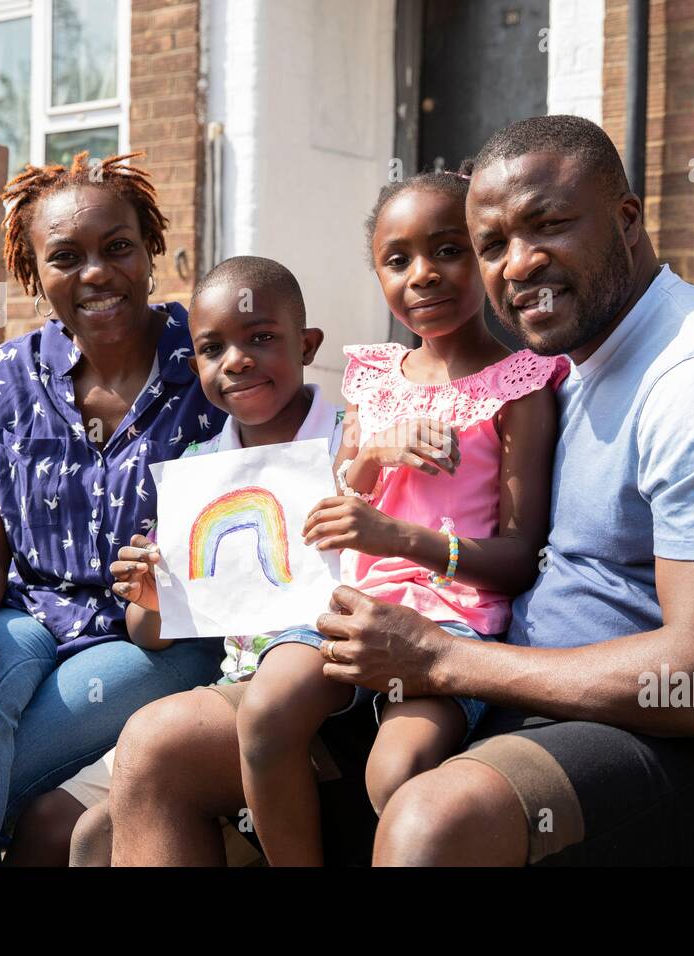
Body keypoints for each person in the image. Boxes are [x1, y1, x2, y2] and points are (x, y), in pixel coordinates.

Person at [312, 114, 694, 865]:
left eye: (547, 225)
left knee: (430, 826)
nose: (517, 265)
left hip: (681, 754)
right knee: (170, 753)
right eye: (491, 246)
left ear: (627, 221)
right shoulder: (569, 368)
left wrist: (440, 660)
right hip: (516, 690)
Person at [108, 170, 563, 866]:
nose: (424, 276)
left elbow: (516, 553)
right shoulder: (373, 383)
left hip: (446, 621)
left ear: (486, 251)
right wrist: (373, 460)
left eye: (449, 250)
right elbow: (334, 507)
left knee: (395, 775)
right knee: (264, 711)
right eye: (398, 259)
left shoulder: (519, 386)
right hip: (343, 607)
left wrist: (397, 536)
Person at [0, 152, 226, 866]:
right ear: (35, 274)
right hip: (31, 616)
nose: (96, 273)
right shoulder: (5, 380)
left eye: (118, 247)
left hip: (155, 633)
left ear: (151, 247)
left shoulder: (208, 359)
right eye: (66, 257)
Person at [10, 254, 341, 867]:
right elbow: (153, 633)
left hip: (324, 696)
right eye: (213, 349)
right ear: (196, 367)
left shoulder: (349, 441)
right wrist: (152, 597)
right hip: (230, 684)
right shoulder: (199, 470)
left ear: (309, 344)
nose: (236, 360)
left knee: (116, 810)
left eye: (261, 338)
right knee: (56, 823)